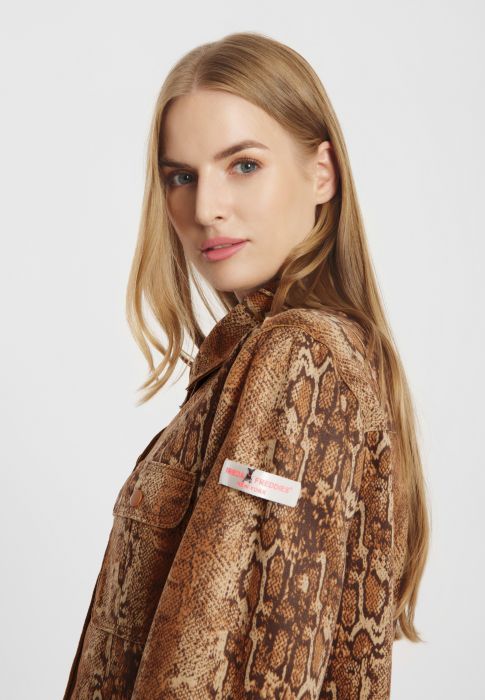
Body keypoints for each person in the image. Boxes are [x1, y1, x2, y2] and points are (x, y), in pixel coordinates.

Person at [63, 31, 430, 700]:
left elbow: (249, 662)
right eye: (181, 177)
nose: (205, 208)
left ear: (322, 173)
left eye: (244, 165)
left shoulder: (297, 359)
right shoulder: (282, 353)